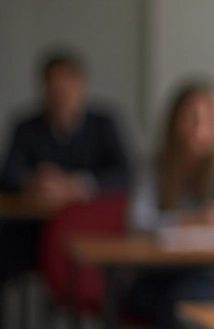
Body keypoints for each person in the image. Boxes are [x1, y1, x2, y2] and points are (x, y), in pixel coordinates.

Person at [126, 81, 214, 329]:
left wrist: (170, 223)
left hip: (207, 274)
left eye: (208, 119)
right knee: (165, 304)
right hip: (156, 273)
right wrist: (198, 219)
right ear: (174, 121)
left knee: (181, 307)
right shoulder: (155, 163)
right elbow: (137, 222)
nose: (198, 127)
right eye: (190, 117)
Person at [0, 50, 131, 286]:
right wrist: (34, 182)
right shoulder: (26, 128)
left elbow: (125, 174)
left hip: (88, 231)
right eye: (53, 90)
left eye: (66, 88)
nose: (60, 96)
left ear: (82, 86)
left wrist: (78, 185)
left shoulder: (103, 125)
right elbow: (9, 173)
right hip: (33, 230)